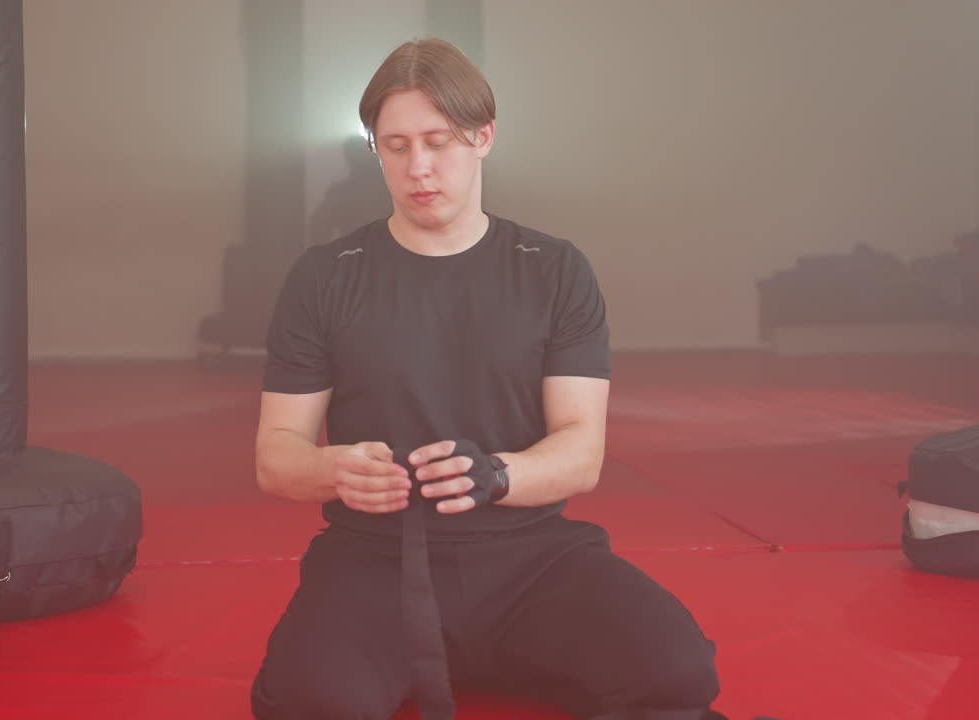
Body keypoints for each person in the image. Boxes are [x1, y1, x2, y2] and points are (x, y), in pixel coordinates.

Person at [251, 37, 721, 720]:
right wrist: (334, 469)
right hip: (376, 560)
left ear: (483, 137)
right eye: (396, 145)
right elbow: (277, 455)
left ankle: (519, 653)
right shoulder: (326, 276)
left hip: (529, 558)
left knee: (678, 671)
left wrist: (496, 475)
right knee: (310, 703)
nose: (419, 167)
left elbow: (580, 448)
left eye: (438, 141)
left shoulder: (554, 270)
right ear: (375, 150)